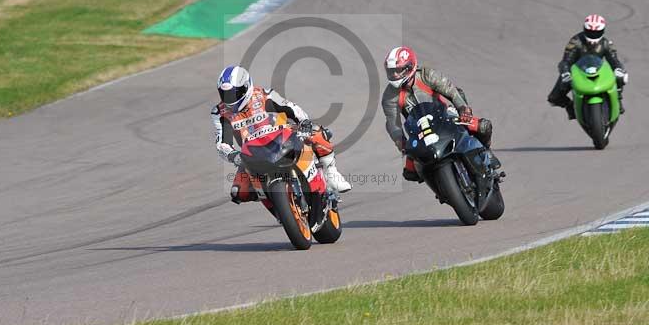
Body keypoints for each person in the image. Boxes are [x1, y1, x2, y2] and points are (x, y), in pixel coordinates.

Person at [212, 65, 351, 205]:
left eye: (235, 93)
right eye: (225, 95)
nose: (230, 99)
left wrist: (304, 122)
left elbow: (292, 108)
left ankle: (331, 174)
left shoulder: (264, 95)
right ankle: (277, 204)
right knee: (239, 192)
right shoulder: (220, 113)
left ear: (247, 86)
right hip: (253, 153)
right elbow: (222, 144)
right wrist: (233, 155)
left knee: (316, 132)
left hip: (283, 138)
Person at [380, 46, 497, 182]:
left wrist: (463, 108)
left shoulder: (427, 75)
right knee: (410, 173)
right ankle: (441, 187)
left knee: (483, 126)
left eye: (398, 70)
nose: (394, 75)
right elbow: (392, 122)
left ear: (409, 67)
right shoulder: (389, 96)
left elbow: (451, 91)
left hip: (445, 117)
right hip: (419, 130)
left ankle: (487, 151)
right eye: (391, 71)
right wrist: (399, 139)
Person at [547, 14, 628, 119]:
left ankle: (617, 99)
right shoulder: (575, 41)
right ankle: (570, 106)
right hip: (577, 71)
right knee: (554, 98)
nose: (592, 36)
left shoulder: (607, 43)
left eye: (596, 33)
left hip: (599, 70)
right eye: (590, 32)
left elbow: (614, 60)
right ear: (584, 29)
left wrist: (618, 69)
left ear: (602, 31)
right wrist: (566, 73)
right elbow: (565, 61)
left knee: (621, 75)